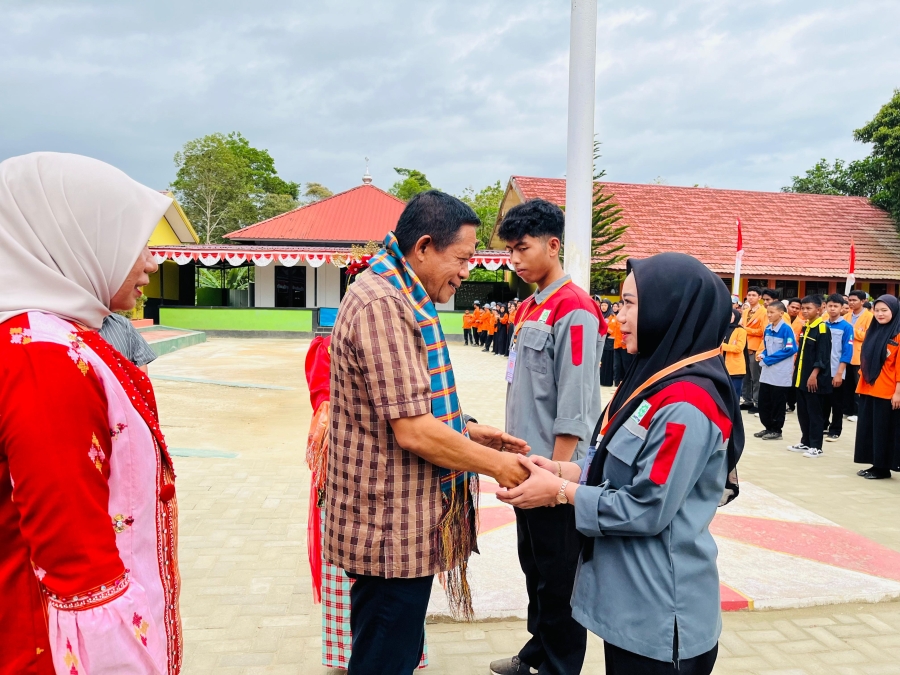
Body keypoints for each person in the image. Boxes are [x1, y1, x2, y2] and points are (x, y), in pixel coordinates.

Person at [497, 252, 743, 675]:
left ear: (670, 310)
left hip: (662, 618)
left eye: (629, 304)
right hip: (632, 608)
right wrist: (561, 470)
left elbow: (646, 507)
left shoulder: (686, 405)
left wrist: (561, 492)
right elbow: (615, 467)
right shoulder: (653, 382)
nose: (618, 317)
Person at [324, 190, 531, 675]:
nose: (466, 272)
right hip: (388, 528)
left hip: (397, 524)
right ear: (422, 248)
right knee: (384, 660)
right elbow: (415, 431)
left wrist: (468, 431)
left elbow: (404, 404)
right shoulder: (384, 304)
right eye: (461, 259)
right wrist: (500, 467)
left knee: (391, 650)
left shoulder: (396, 292)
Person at [0, 153, 182, 674]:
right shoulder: (42, 358)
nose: (152, 263)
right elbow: (79, 568)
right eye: (136, 242)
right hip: (56, 651)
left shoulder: (55, 339)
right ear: (77, 237)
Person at [492, 198, 606, 675]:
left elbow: (576, 405)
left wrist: (556, 478)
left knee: (559, 579)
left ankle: (560, 666)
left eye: (522, 248)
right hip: (525, 466)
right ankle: (536, 653)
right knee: (535, 569)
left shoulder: (574, 308)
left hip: (552, 474)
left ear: (553, 245)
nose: (514, 260)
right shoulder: (530, 307)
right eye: (510, 251)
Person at [853, 295, 900, 479]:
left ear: (894, 311)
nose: (880, 314)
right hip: (868, 387)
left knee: (883, 431)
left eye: (884, 310)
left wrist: (898, 393)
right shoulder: (873, 330)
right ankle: (874, 464)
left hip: (887, 391)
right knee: (869, 429)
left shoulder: (897, 334)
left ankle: (882, 468)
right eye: (877, 310)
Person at [788, 295, 832, 458]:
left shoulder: (822, 328)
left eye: (809, 308)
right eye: (803, 308)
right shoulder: (806, 326)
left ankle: (816, 446)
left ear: (819, 310)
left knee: (815, 413)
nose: (804, 311)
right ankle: (805, 441)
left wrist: (814, 374)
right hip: (802, 376)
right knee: (803, 412)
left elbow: (823, 355)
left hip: (814, 379)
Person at [754, 302, 798, 441]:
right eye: (768, 312)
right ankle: (768, 426)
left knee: (777, 402)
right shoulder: (768, 328)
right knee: (764, 402)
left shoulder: (786, 329)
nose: (769, 315)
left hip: (780, 372)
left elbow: (790, 349)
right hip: (768, 372)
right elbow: (767, 347)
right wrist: (763, 354)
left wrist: (768, 359)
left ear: (781, 313)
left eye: (772, 312)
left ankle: (776, 430)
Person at [823, 294, 854, 442]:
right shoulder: (822, 325)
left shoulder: (847, 327)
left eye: (836, 306)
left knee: (837, 402)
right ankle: (823, 425)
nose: (832, 309)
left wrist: (839, 373)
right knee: (823, 401)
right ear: (825, 307)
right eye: (830, 306)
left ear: (842, 308)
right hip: (823, 370)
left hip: (837, 370)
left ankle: (835, 430)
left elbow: (847, 352)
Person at [843, 290, 873, 421]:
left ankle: (857, 412)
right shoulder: (846, 316)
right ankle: (847, 409)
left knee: (858, 385)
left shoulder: (869, 317)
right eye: (850, 300)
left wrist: (852, 330)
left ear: (863, 301)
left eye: (854, 300)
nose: (851, 303)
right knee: (847, 385)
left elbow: (868, 336)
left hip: (860, 356)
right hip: (846, 355)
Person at [740, 286, 767, 413]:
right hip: (744, 347)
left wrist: (746, 330)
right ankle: (747, 400)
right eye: (749, 295)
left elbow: (763, 331)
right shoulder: (745, 311)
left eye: (754, 295)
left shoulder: (764, 312)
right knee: (746, 376)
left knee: (756, 377)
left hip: (756, 348)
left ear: (759, 297)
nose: (750, 297)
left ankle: (757, 402)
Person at [721, 308, 747, 400]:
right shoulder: (722, 329)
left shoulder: (741, 331)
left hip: (735, 368)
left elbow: (739, 348)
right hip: (722, 366)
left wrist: (723, 346)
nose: (729, 317)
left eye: (731, 315)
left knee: (735, 394)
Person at [784, 297, 805, 413]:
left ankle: (790, 403)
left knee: (792, 380)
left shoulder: (802, 323)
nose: (794, 310)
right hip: (782, 353)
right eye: (792, 307)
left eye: (797, 308)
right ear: (788, 307)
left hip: (795, 355)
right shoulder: (781, 320)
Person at [599, 299, 616, 387]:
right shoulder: (600, 315)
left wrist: (601, 331)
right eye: (602, 305)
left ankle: (607, 382)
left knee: (607, 362)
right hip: (600, 341)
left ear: (609, 306)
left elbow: (610, 330)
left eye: (605, 305)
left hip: (608, 343)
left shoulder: (612, 316)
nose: (603, 307)